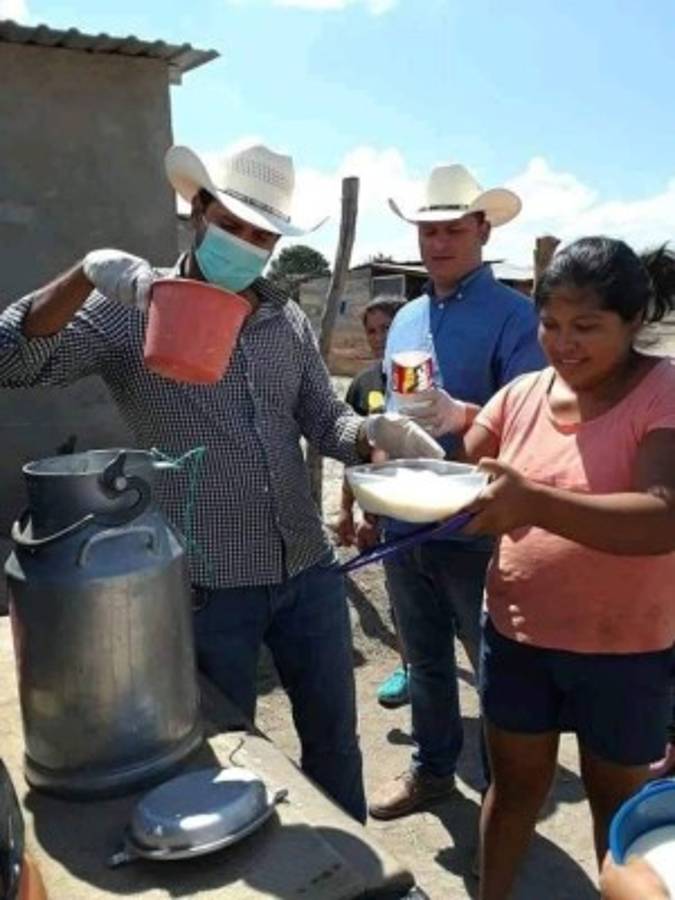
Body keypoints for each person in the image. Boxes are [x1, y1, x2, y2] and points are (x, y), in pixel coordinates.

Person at [0, 142, 443, 824]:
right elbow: (11, 360)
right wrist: (84, 276)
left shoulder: (284, 320)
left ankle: (356, 868)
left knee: (334, 743)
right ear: (198, 212)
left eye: (261, 236)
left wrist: (372, 435)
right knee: (225, 751)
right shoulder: (134, 308)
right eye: (231, 225)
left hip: (307, 571)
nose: (245, 245)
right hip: (207, 587)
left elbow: (322, 418)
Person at [444, 237, 675, 898]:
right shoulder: (521, 394)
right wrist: (413, 440)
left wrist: (535, 503)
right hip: (519, 638)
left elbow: (661, 518)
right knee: (513, 789)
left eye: (586, 327)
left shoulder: (661, 392)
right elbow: (460, 471)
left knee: (617, 808)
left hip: (625, 650)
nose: (563, 344)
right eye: (549, 324)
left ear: (633, 321)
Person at [368, 163, 546, 820]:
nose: (437, 243)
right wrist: (375, 481)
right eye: (427, 231)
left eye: (452, 230)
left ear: (482, 230)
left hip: (476, 524)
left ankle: (504, 802)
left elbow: (535, 428)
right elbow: (390, 411)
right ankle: (432, 771)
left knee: (495, 667)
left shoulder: (516, 319)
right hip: (404, 516)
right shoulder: (405, 319)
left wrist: (464, 416)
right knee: (423, 659)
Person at [336, 295, 411, 708]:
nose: (380, 337)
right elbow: (355, 457)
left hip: (435, 514)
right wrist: (349, 510)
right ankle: (410, 668)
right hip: (386, 517)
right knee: (402, 600)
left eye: (389, 328)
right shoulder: (364, 384)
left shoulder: (421, 381)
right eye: (372, 330)